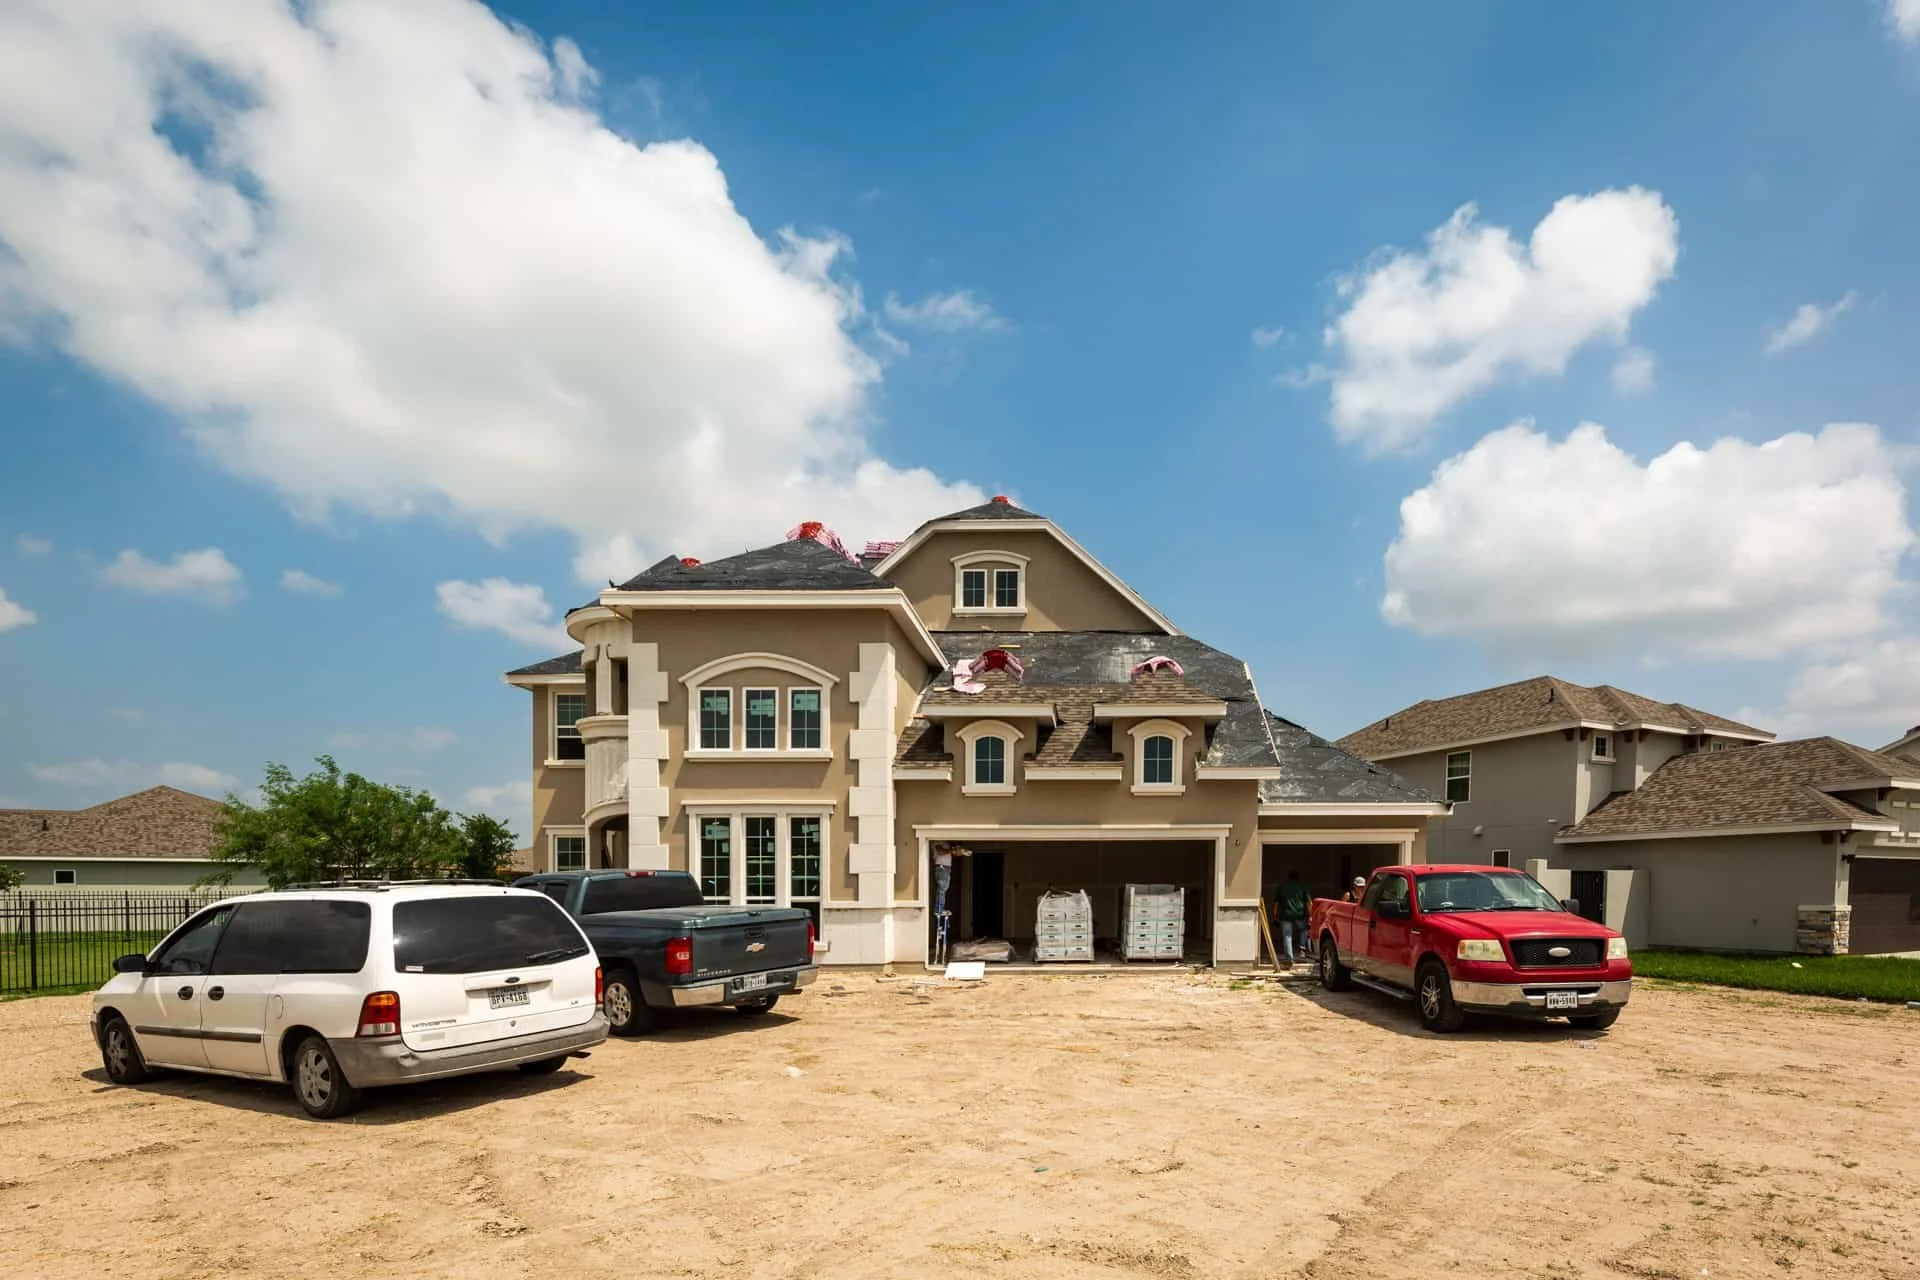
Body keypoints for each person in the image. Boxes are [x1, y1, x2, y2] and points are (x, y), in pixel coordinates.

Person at [1277, 870, 1312, 965]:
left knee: (1287, 935)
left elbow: (1276, 903)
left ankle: (1289, 958)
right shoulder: (1302, 886)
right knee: (1303, 929)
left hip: (1285, 914)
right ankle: (1302, 949)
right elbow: (1309, 902)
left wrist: (1275, 914)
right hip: (1299, 914)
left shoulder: (1282, 887)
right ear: (1297, 877)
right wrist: (1311, 915)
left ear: (1288, 877)